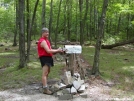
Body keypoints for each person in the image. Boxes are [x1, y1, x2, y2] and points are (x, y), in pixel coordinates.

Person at [37, 27, 63, 95]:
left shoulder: (47, 41)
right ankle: (45, 89)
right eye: (46, 32)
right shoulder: (42, 41)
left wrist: (58, 51)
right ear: (42, 33)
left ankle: (45, 85)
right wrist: (57, 50)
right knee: (45, 73)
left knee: (47, 72)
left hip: (48, 58)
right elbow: (48, 51)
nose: (47, 33)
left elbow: (51, 50)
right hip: (44, 58)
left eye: (48, 32)